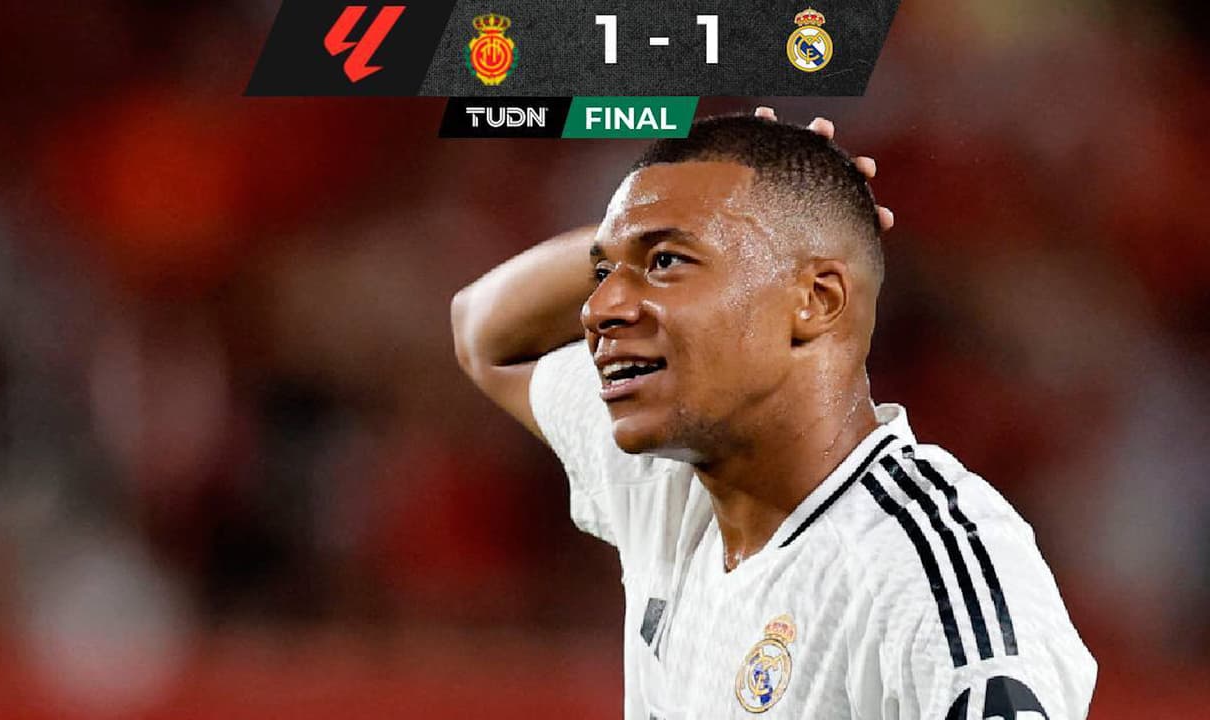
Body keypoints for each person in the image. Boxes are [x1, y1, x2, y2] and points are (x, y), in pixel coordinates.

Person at [451, 110, 1096, 719]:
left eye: (667, 262)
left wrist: (767, 212)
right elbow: (483, 333)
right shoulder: (665, 483)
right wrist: (655, 214)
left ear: (816, 300)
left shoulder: (923, 571)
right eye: (602, 275)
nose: (597, 309)